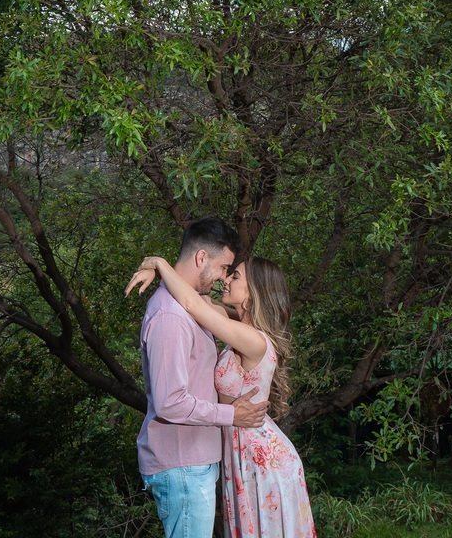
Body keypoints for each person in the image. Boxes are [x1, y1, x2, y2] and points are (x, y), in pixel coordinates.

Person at [127, 252, 317, 538]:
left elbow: (191, 303)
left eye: (236, 276)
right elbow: (193, 297)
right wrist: (162, 279)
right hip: (238, 451)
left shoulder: (253, 339)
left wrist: (159, 263)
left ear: (252, 295)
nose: (227, 279)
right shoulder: (239, 325)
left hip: (259, 455)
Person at [132, 216, 269, 538]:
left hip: (194, 461)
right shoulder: (171, 317)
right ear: (201, 258)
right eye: (224, 268)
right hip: (182, 465)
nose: (224, 278)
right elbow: (170, 404)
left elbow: (245, 311)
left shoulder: (191, 307)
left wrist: (159, 265)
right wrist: (232, 414)